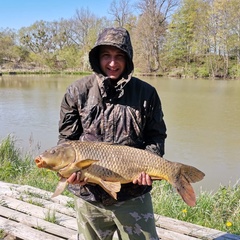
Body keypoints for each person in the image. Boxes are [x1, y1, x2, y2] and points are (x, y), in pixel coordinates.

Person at [58, 27, 167, 240]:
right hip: (89, 194)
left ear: (128, 60)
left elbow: (156, 137)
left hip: (133, 195)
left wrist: (149, 165)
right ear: (97, 58)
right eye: (106, 56)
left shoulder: (147, 93)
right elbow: (66, 142)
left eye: (119, 56)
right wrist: (70, 172)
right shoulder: (76, 91)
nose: (112, 63)